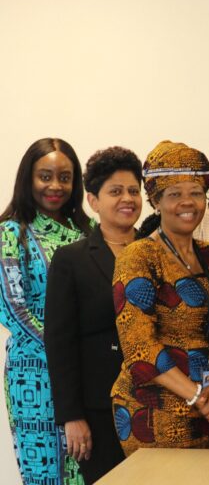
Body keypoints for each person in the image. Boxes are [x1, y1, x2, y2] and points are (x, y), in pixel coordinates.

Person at [111, 141, 209, 455]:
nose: (187, 202)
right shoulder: (139, 256)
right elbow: (139, 345)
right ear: (155, 200)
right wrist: (197, 396)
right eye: (174, 194)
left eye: (195, 192)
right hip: (154, 410)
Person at [44, 147, 142, 483]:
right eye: (115, 191)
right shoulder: (71, 260)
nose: (127, 198)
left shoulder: (156, 251)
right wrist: (72, 416)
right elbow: (59, 343)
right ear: (93, 200)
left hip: (156, 404)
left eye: (133, 190)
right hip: (100, 410)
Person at [0, 138, 91, 485]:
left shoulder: (88, 232)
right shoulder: (11, 234)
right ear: (28, 179)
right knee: (48, 474)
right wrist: (64, 351)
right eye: (45, 176)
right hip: (34, 373)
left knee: (87, 467)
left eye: (65, 177)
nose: (56, 186)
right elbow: (14, 309)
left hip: (87, 369)